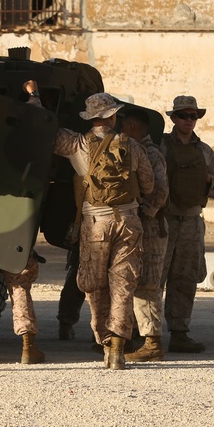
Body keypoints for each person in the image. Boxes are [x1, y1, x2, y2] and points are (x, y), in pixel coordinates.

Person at [24, 80, 154, 369]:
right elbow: (148, 183)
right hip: (128, 222)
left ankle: (103, 339)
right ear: (113, 116)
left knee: (94, 285)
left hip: (95, 223)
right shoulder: (132, 146)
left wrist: (34, 96)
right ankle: (119, 348)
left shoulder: (77, 144)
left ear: (91, 117)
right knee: (123, 284)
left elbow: (44, 127)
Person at [159, 95, 214, 353]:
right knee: (154, 278)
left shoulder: (205, 152)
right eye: (184, 115)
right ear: (173, 118)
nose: (189, 120)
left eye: (193, 116)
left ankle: (179, 332)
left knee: (185, 279)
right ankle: (145, 333)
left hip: (191, 222)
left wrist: (208, 181)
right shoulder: (160, 147)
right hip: (163, 220)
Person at [119, 107, 170, 362]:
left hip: (151, 228)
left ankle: (152, 343)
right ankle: (136, 336)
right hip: (140, 225)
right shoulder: (136, 151)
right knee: (133, 281)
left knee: (147, 283)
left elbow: (160, 192)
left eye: (122, 126)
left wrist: (144, 213)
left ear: (132, 128)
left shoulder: (151, 154)